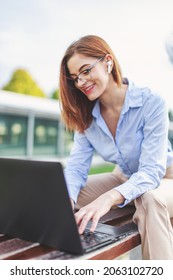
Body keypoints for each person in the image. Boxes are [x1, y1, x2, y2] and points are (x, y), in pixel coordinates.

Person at [59, 35, 173, 259]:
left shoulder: (152, 103)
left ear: (108, 61)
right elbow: (76, 169)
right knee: (59, 193)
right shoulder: (86, 117)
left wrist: (109, 198)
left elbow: (151, 172)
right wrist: (68, 199)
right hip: (123, 177)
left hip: (164, 178)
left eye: (85, 70)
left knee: (150, 199)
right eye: (74, 78)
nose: (81, 82)